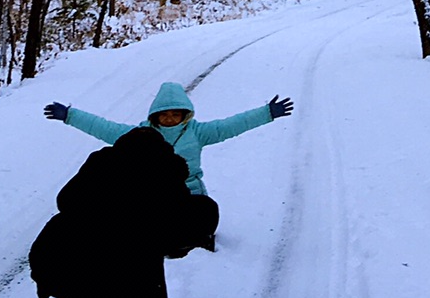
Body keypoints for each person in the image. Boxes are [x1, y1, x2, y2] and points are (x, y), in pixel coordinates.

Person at [43, 80, 294, 255]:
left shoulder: (197, 132)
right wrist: (71, 116)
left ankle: (195, 240)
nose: (170, 119)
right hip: (154, 195)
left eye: (176, 114)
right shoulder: (141, 134)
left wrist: (266, 113)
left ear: (185, 114)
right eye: (165, 114)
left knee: (206, 212)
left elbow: (229, 126)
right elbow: (105, 128)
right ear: (156, 114)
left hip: (190, 192)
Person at [28, 124, 202, 298]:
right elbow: (160, 256)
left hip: (51, 255)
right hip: (93, 258)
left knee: (99, 287)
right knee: (123, 282)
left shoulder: (102, 164)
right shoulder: (164, 175)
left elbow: (65, 200)